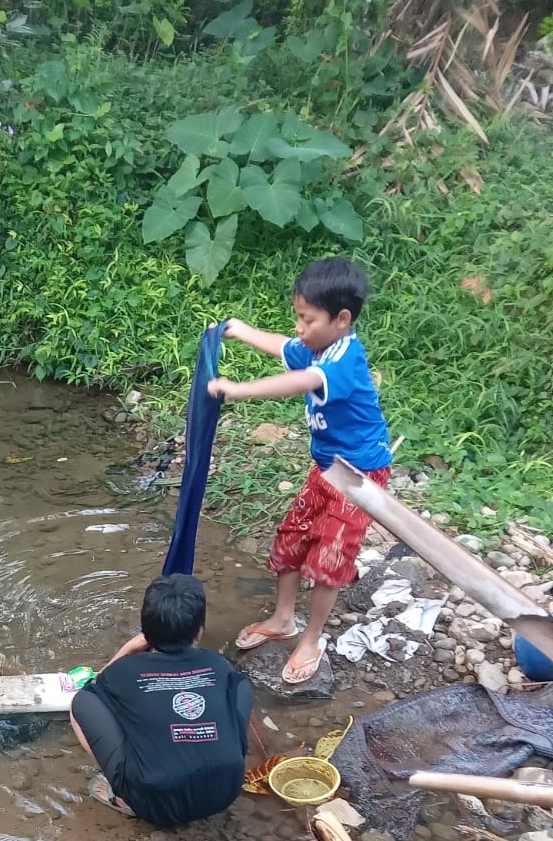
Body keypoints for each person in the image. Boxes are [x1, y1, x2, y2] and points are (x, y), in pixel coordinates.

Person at [206, 257, 393, 684]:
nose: (300, 328)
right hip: (327, 469)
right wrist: (240, 330)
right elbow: (285, 349)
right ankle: (283, 619)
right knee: (292, 537)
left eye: (308, 319)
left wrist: (240, 391)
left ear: (342, 319)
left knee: (331, 556)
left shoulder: (342, 359)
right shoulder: (317, 343)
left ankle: (311, 637)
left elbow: (302, 380)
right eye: (298, 317)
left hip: (360, 476)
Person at [70, 574, 254, 826]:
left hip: (154, 802)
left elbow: (95, 687)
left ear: (145, 630)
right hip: (226, 791)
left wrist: (126, 651)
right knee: (238, 687)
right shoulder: (218, 666)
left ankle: (124, 796)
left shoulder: (125, 671)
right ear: (199, 631)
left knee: (82, 702)